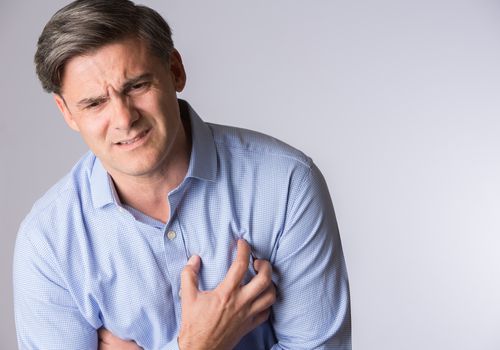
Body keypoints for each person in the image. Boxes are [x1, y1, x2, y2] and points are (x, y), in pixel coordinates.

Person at [13, 0, 351, 349]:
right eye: (94, 103)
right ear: (66, 112)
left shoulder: (286, 184)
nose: (124, 118)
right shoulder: (48, 242)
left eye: (137, 86)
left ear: (175, 71)